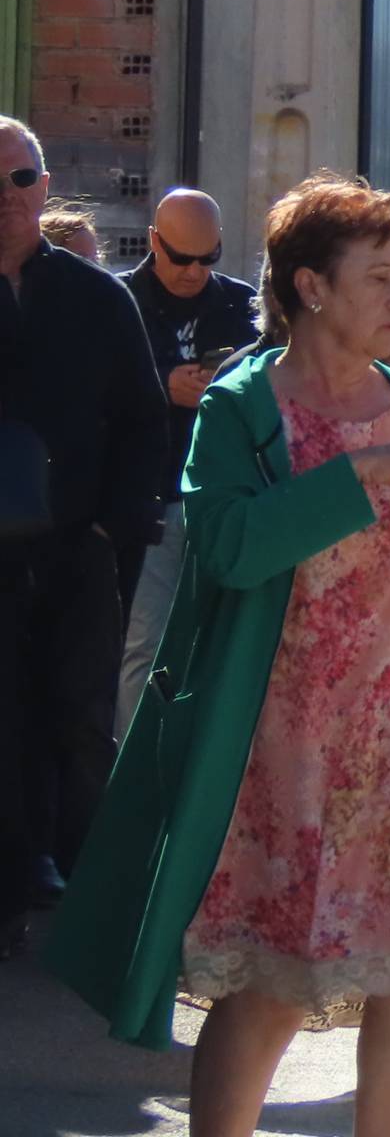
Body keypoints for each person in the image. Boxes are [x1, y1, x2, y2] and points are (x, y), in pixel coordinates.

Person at [45, 172, 390, 1137]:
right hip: (282, 755)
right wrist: (352, 479)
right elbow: (232, 546)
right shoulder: (244, 405)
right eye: (378, 275)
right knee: (276, 985)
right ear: (310, 287)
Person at [0, 118, 167, 959]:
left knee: (78, 714)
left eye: (22, 179)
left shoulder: (96, 297)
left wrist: (112, 523)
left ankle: (80, 882)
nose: (8, 199)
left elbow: (143, 421)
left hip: (75, 545)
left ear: (43, 183)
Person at [116, 188, 259, 738]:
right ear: (154, 242)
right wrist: (161, 386)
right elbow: (91, 393)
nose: (195, 271)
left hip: (220, 499)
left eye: (208, 258)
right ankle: (134, 774)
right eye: (180, 258)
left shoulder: (241, 306)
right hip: (150, 497)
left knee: (221, 645)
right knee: (144, 645)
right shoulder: (119, 300)